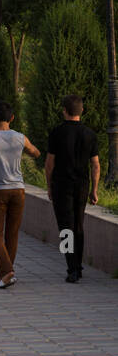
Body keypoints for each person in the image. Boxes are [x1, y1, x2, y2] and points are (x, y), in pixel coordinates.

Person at [0, 101, 41, 288]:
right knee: (12, 233)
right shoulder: (20, 138)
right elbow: (36, 153)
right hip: (18, 190)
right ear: (12, 118)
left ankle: (7, 271)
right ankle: (6, 275)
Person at [45, 94, 101, 283]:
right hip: (82, 185)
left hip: (62, 184)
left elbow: (49, 164)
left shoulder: (57, 132)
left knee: (65, 227)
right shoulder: (90, 134)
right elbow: (95, 164)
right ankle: (78, 265)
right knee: (78, 224)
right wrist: (94, 189)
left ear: (64, 111)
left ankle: (72, 267)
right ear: (81, 111)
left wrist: (49, 186)